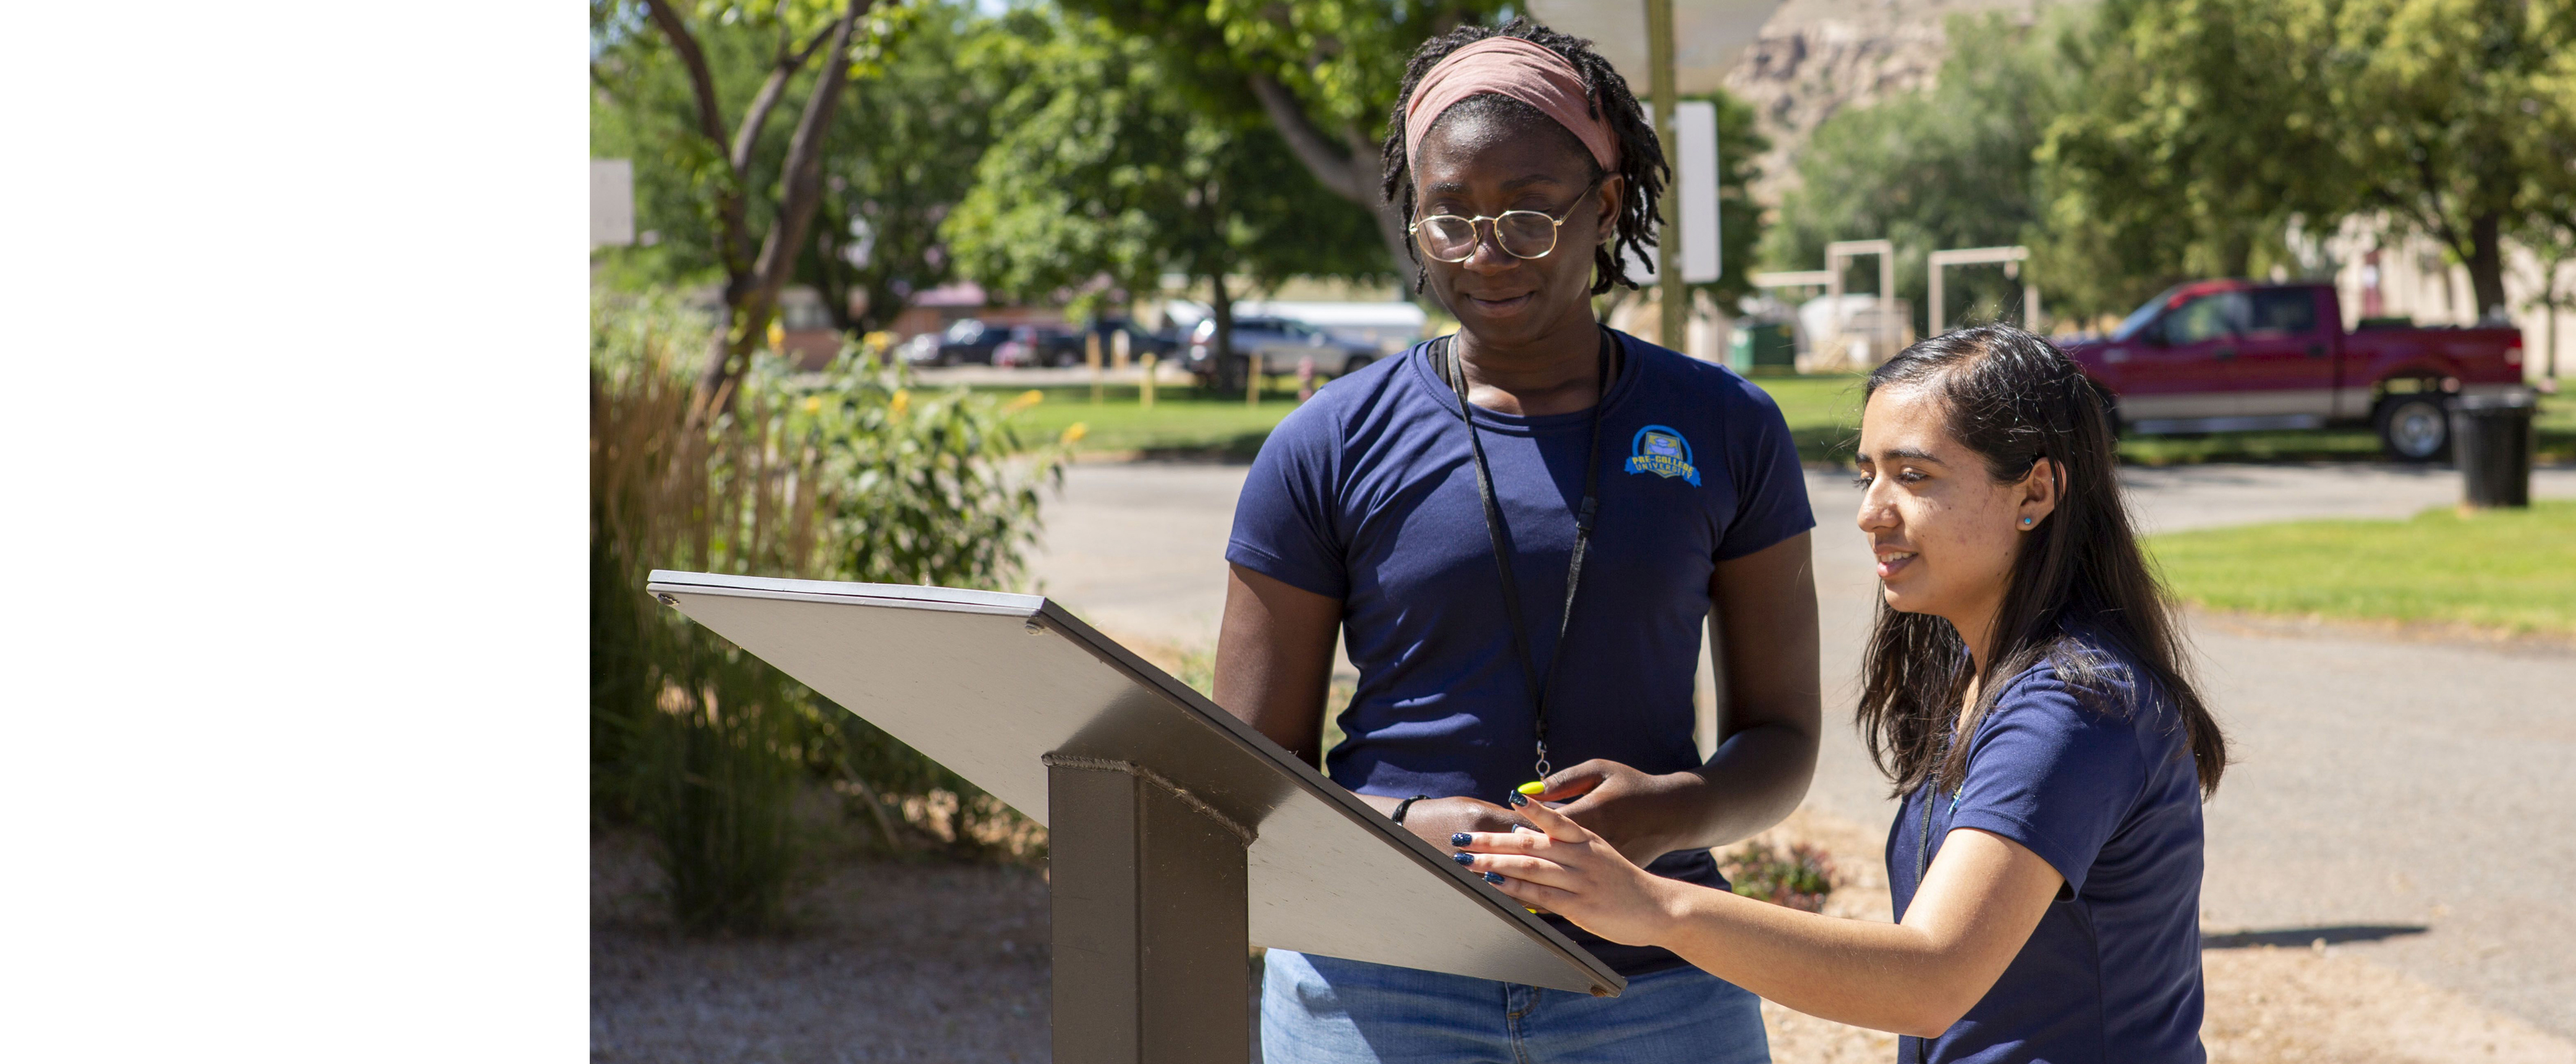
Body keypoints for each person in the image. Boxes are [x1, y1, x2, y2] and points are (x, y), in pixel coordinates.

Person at [1214, 18, 1820, 1064]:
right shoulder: (1324, 442)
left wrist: (1674, 809)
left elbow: (1782, 739)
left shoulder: (1725, 426)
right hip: (1379, 985)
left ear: (1606, 205)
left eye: (1529, 218)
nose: (1486, 255)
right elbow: (1239, 775)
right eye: (1449, 219)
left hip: (1658, 984)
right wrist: (1406, 826)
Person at [1456, 324, 2232, 1063]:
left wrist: (1652, 906)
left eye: (1914, 475)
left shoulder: (2070, 706)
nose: (1868, 513)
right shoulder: (1993, 681)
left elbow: (1931, 976)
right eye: (1868, 475)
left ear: (2034, 490)